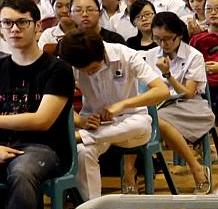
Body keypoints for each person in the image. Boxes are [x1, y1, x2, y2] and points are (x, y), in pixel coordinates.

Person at [0, 0, 76, 209]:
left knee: (21, 173)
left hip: (45, 148)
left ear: (37, 26)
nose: (14, 29)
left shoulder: (58, 69)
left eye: (22, 22)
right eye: (7, 23)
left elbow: (41, 121)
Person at [56, 32, 170, 199]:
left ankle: (81, 137)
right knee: (82, 152)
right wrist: (81, 121)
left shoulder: (127, 55)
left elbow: (162, 91)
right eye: (84, 71)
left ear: (102, 53)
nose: (89, 74)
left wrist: (123, 104)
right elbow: (59, 104)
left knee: (141, 125)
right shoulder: (69, 64)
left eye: (93, 69)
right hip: (95, 125)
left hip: (130, 122)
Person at [146, 12, 214, 194]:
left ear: (180, 35)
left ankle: (196, 168)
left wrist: (168, 75)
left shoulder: (194, 56)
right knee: (140, 119)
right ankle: (131, 173)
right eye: (157, 39)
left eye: (168, 39)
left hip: (190, 106)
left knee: (155, 121)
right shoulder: (151, 55)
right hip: (160, 104)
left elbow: (189, 93)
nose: (163, 44)